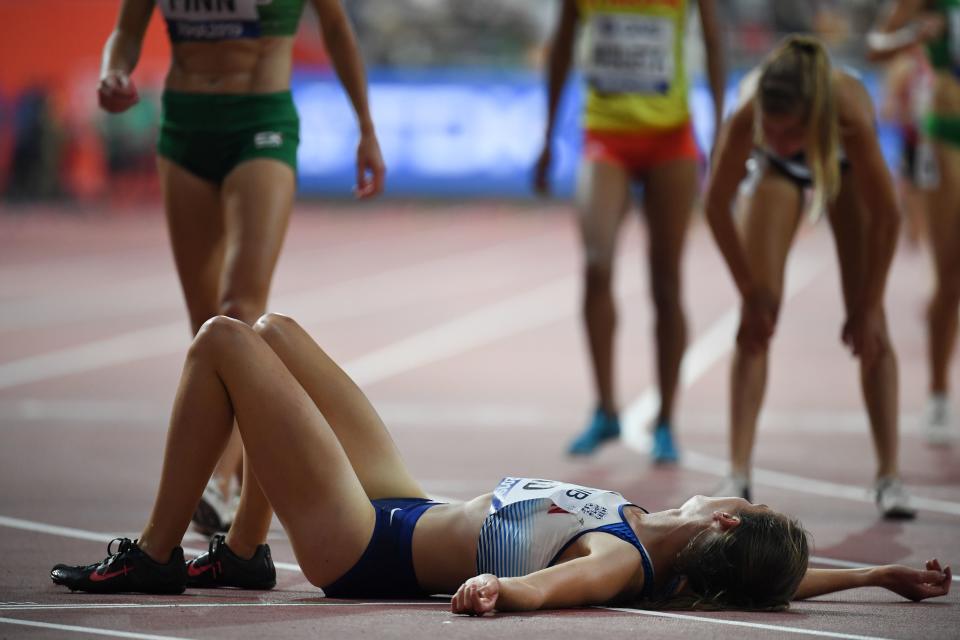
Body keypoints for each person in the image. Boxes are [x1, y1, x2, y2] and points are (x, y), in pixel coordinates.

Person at [50, 314, 952, 612]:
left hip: (362, 547)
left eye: (745, 508)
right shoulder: (684, 533)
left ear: (727, 522)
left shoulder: (620, 561)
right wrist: (874, 571)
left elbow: (548, 594)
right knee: (276, 332)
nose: (737, 499)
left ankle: (157, 554)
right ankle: (244, 552)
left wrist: (498, 592)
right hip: (406, 500)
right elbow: (783, 578)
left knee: (223, 343)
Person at [98, 0, 386, 532]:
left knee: (238, 306)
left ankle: (221, 482)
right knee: (206, 328)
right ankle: (221, 485)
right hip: (184, 127)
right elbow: (125, 31)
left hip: (261, 122)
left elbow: (337, 27)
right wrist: (113, 72)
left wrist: (365, 127)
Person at [704, 35, 916, 519]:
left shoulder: (848, 113)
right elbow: (716, 205)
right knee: (757, 316)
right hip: (775, 179)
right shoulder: (748, 116)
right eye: (770, 132)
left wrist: (867, 304)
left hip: (842, 172)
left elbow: (888, 216)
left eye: (789, 133)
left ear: (813, 118)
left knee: (872, 323)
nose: (778, 141)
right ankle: (737, 469)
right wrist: (748, 292)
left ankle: (889, 475)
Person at [533, 0, 726, 462]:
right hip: (605, 136)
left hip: (671, 138)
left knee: (666, 281)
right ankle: (605, 409)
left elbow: (716, 44)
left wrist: (720, 132)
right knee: (596, 265)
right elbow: (561, 47)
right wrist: (546, 136)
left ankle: (666, 422)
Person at [868, 1, 958, 447]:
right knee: (952, 271)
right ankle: (939, 393)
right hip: (948, 134)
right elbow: (875, 47)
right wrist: (914, 36)